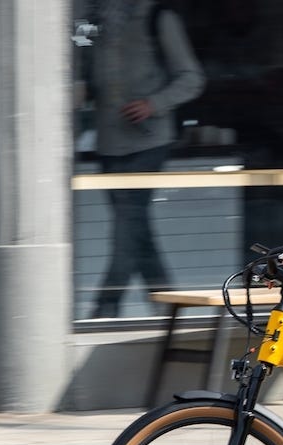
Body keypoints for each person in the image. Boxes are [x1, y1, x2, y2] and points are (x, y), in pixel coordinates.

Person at [86, 0, 205, 318]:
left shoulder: (158, 17)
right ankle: (168, 307)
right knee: (136, 231)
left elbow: (192, 77)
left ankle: (104, 308)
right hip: (108, 144)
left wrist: (153, 104)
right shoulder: (95, 22)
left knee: (127, 228)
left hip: (148, 143)